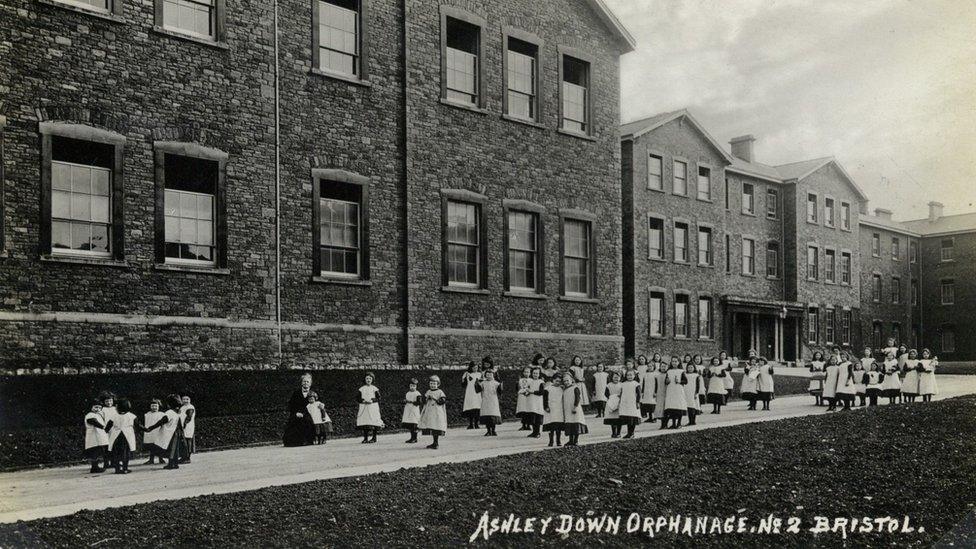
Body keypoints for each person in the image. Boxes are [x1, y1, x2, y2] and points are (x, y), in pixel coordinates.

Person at [144, 394, 184, 470]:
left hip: (169, 433)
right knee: (175, 449)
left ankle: (170, 464)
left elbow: (161, 421)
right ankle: (175, 464)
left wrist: (151, 428)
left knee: (170, 449)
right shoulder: (177, 412)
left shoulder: (169, 412)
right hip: (176, 432)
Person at [283, 373, 315, 447]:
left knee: (307, 420)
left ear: (310, 384)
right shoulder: (296, 393)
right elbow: (291, 405)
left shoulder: (313, 393)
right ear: (301, 383)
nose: (305, 383)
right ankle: (294, 441)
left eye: (307, 382)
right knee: (295, 421)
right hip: (297, 412)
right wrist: (296, 413)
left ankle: (307, 440)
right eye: (304, 381)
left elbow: (318, 403)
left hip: (309, 413)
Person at [108, 399, 138, 474]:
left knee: (116, 453)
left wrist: (105, 431)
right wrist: (147, 429)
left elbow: (108, 426)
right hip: (127, 436)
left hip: (116, 436)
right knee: (126, 453)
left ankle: (117, 469)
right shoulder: (132, 416)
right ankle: (125, 468)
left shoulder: (114, 416)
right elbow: (138, 425)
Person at [418, 375, 447, 449]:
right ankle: (434, 442)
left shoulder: (440, 392)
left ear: (438, 384)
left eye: (434, 384)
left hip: (437, 412)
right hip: (430, 412)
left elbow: (442, 401)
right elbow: (423, 401)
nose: (432, 385)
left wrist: (434, 399)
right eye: (431, 384)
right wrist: (425, 398)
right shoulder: (428, 391)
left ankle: (436, 442)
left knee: (436, 425)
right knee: (432, 425)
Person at [561, 371, 587, 446]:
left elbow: (577, 398)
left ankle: (576, 440)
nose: (566, 382)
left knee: (576, 424)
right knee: (570, 425)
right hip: (568, 410)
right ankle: (570, 440)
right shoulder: (565, 390)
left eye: (567, 380)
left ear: (572, 380)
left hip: (575, 409)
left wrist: (575, 407)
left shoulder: (575, 388)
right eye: (564, 381)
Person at [356, 372, 383, 444]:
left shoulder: (375, 388)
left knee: (374, 421)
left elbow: (379, 398)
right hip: (364, 407)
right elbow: (358, 398)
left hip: (373, 407)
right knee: (365, 422)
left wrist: (372, 400)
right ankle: (365, 438)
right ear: (365, 380)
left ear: (372, 380)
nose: (368, 380)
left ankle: (374, 438)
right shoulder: (361, 389)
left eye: (370, 378)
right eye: (367, 378)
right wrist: (363, 400)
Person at [83, 400, 109, 474]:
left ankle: (96, 466)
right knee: (94, 451)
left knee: (98, 451)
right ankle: (94, 467)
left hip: (99, 436)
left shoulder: (99, 415)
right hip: (93, 436)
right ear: (91, 407)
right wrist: (103, 427)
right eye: (96, 407)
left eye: (99, 408)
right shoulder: (90, 415)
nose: (97, 409)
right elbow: (93, 421)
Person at [662, 357, 688, 429]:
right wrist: (667, 381)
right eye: (673, 361)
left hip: (678, 390)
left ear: (679, 362)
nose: (674, 363)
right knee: (672, 407)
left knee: (678, 406)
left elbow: (686, 381)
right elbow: (665, 382)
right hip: (671, 390)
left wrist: (679, 381)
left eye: (676, 361)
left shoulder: (681, 371)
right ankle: (673, 424)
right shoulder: (669, 371)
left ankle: (679, 423)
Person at [476, 370, 503, 437]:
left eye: (490, 375)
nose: (489, 376)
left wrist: (501, 385)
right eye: (487, 375)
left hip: (493, 401)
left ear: (493, 375)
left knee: (493, 416)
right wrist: (477, 383)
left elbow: (500, 392)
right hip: (485, 401)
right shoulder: (483, 383)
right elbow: (478, 390)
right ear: (485, 375)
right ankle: (488, 430)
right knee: (487, 416)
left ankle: (493, 430)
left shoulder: (496, 383)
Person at [543, 374, 566, 446]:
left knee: (558, 426)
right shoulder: (548, 389)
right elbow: (545, 399)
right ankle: (551, 441)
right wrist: (546, 407)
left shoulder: (561, 389)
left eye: (559, 381)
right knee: (551, 426)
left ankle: (558, 441)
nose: (558, 383)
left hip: (559, 409)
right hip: (551, 409)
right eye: (556, 381)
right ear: (553, 380)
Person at [98, 391, 118, 471]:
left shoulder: (115, 409)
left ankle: (114, 462)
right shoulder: (102, 410)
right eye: (106, 401)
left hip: (115, 430)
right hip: (106, 431)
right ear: (103, 402)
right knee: (106, 447)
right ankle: (106, 463)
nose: (109, 402)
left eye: (110, 401)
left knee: (114, 447)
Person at [619, 369, 642, 438]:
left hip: (633, 403)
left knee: (633, 417)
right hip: (625, 403)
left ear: (634, 376)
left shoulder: (636, 384)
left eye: (631, 375)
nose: (629, 376)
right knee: (628, 418)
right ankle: (629, 433)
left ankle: (632, 433)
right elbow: (621, 393)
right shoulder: (623, 384)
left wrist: (637, 402)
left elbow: (639, 394)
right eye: (628, 375)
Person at [524, 367, 545, 438]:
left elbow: (541, 392)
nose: (535, 375)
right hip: (531, 401)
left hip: (538, 402)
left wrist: (532, 392)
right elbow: (528, 389)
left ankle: (538, 432)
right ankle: (534, 432)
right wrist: (526, 393)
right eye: (534, 373)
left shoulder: (541, 382)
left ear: (539, 374)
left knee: (537, 417)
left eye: (537, 373)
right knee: (532, 417)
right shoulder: (530, 382)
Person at [461, 362, 482, 430]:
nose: (475, 369)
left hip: (477, 393)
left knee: (477, 407)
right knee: (470, 408)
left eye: (476, 367)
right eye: (473, 368)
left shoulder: (480, 374)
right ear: (471, 368)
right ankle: (470, 424)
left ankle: (476, 424)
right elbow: (464, 385)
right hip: (470, 392)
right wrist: (463, 379)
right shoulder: (467, 374)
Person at [142, 399, 164, 465]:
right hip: (150, 432)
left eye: (156, 406)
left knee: (159, 446)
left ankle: (161, 458)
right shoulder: (147, 414)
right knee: (151, 446)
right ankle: (151, 459)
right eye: (152, 406)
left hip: (158, 432)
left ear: (159, 406)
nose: (154, 407)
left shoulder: (161, 414)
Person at [401, 378, 423, 444]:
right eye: (411, 386)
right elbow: (405, 400)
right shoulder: (408, 393)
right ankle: (412, 437)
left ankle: (415, 438)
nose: (412, 387)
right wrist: (405, 401)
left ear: (416, 386)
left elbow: (419, 402)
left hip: (414, 410)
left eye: (414, 386)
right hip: (408, 409)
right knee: (410, 424)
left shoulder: (417, 393)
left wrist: (413, 402)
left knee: (414, 424)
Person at [602, 371, 622, 439]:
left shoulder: (621, 385)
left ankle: (618, 433)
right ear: (612, 378)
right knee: (612, 419)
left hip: (619, 402)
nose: (616, 379)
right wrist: (611, 398)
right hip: (611, 402)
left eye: (618, 377)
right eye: (615, 377)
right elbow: (606, 393)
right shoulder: (609, 385)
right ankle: (613, 432)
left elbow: (623, 393)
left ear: (620, 378)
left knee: (619, 419)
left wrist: (619, 397)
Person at [683, 361, 703, 426]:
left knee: (693, 406)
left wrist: (696, 393)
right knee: (689, 407)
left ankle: (693, 421)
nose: (690, 369)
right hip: (687, 392)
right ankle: (690, 421)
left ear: (694, 368)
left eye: (691, 367)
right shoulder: (685, 375)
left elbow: (698, 385)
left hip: (693, 392)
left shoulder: (696, 375)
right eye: (689, 367)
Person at [179, 394, 195, 464]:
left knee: (188, 442)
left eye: (187, 399)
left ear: (190, 400)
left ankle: (188, 458)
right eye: (183, 399)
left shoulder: (190, 407)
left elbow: (189, 417)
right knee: (183, 442)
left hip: (188, 427)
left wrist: (184, 425)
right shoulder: (182, 407)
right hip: (182, 426)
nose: (185, 401)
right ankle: (183, 457)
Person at [515, 366, 532, 431]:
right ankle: (523, 425)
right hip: (522, 396)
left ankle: (528, 425)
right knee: (523, 411)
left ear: (530, 373)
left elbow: (531, 388)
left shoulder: (531, 380)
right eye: (525, 372)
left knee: (528, 411)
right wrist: (521, 391)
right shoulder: (520, 380)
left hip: (529, 396)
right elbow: (518, 388)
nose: (526, 373)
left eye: (528, 372)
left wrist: (528, 392)